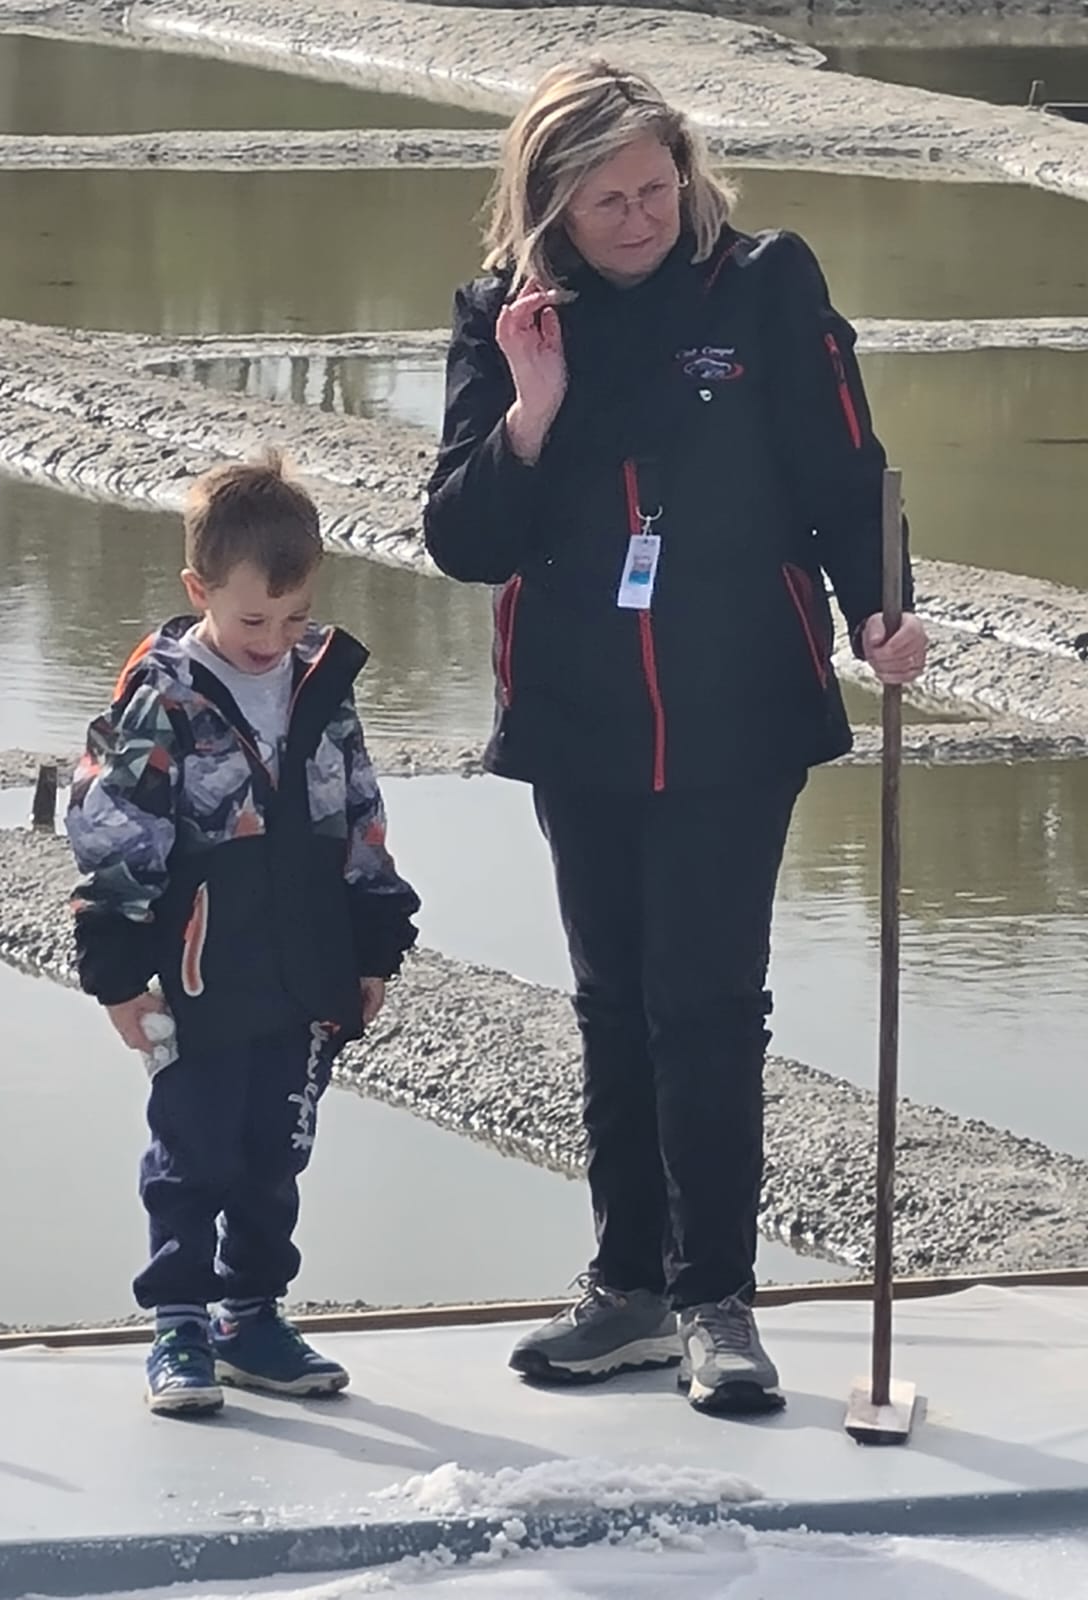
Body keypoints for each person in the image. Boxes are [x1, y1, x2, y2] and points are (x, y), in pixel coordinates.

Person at [424, 61, 927, 1415]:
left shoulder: (765, 282)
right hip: (578, 712)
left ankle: (719, 1299)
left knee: (705, 1002)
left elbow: (843, 471)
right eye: (609, 200)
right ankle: (627, 1288)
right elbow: (465, 539)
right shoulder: (503, 319)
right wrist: (530, 408)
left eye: (660, 187)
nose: (644, 216)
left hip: (736, 704)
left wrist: (884, 611)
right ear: (551, 203)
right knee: (611, 1002)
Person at [67, 454, 420, 1416]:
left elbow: (359, 813)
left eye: (295, 617)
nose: (276, 640)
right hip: (196, 968)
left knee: (277, 1149)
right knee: (195, 1147)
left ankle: (251, 1317)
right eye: (254, 620)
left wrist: (373, 943)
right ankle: (179, 1321)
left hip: (305, 964)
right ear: (200, 591)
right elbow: (116, 831)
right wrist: (116, 971)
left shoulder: (323, 686)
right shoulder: (163, 698)